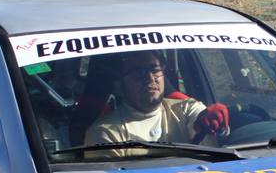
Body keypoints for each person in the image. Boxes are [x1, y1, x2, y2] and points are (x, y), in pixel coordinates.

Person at [84, 50, 229, 155]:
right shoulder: (105, 133)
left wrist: (214, 120)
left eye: (154, 69)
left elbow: (202, 120)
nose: (150, 78)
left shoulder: (185, 108)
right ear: (119, 87)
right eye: (137, 73)